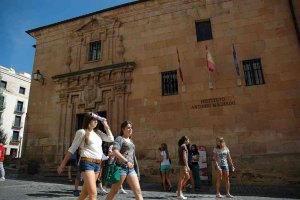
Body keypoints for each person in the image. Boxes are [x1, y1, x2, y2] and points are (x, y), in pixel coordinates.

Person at [57, 112, 114, 200]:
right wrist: (62, 165)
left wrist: (106, 125)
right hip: (87, 163)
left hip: (98, 164)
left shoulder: (98, 133)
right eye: (94, 120)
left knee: (84, 193)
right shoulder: (82, 132)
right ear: (88, 121)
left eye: (96, 120)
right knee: (93, 193)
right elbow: (72, 149)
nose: (96, 122)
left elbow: (111, 139)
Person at [106, 121, 143, 200]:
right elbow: (115, 151)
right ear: (123, 129)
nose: (130, 129)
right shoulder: (119, 139)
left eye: (131, 128)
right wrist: (126, 161)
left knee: (138, 191)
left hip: (131, 169)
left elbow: (133, 156)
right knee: (114, 191)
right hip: (121, 168)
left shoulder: (131, 141)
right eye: (128, 128)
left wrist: (136, 169)